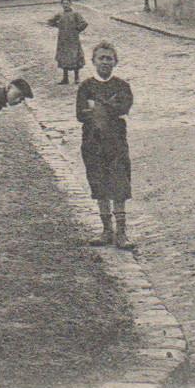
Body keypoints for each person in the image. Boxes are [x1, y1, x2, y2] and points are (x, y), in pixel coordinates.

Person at [76, 41, 136, 250]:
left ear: (115, 62)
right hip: (93, 141)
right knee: (99, 184)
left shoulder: (122, 86)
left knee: (119, 184)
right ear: (93, 61)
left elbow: (124, 107)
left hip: (116, 141)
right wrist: (108, 106)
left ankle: (121, 232)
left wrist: (97, 107)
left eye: (109, 58)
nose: (105, 62)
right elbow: (80, 114)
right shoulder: (86, 86)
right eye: (101, 58)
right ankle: (106, 230)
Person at [46, 0, 88, 85]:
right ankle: (65, 78)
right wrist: (59, 26)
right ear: (61, 5)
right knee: (64, 58)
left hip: (73, 39)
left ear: (70, 4)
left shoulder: (75, 14)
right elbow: (50, 21)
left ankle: (77, 78)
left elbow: (84, 23)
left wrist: (76, 30)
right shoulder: (60, 14)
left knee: (75, 56)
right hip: (63, 40)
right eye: (64, 4)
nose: (65, 5)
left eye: (67, 3)